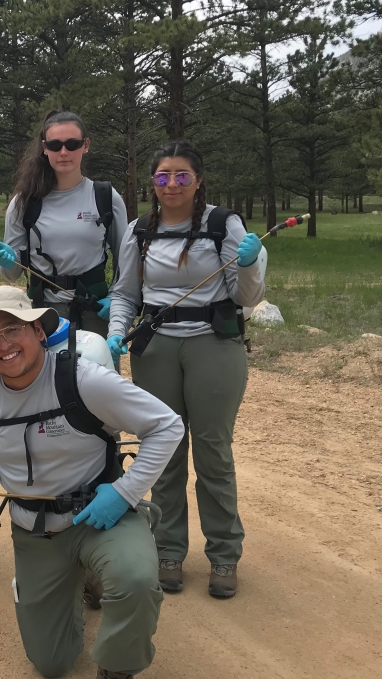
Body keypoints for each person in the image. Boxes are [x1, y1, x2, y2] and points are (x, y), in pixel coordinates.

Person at [0, 286, 184, 679]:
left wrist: (124, 494)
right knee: (52, 664)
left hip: (99, 517)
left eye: (12, 329)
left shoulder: (82, 379)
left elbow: (166, 425)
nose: (3, 345)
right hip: (35, 532)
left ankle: (118, 666)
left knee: (136, 579)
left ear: (38, 330)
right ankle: (71, 582)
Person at [105, 140, 265, 599]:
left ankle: (224, 555)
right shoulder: (139, 229)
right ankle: (168, 548)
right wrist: (118, 332)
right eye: (162, 176)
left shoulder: (222, 224)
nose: (171, 184)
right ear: (152, 182)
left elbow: (246, 296)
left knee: (213, 451)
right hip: (155, 350)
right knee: (165, 451)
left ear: (198, 180)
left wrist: (252, 264)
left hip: (215, 346)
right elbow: (125, 293)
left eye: (181, 176)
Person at [0, 110, 128, 332]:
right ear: (45, 148)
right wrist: (7, 262)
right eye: (55, 145)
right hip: (42, 316)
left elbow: (126, 257)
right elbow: (12, 274)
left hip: (94, 312)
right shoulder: (24, 202)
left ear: (86, 145)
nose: (63, 152)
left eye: (72, 144)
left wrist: (117, 297)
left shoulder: (105, 196)